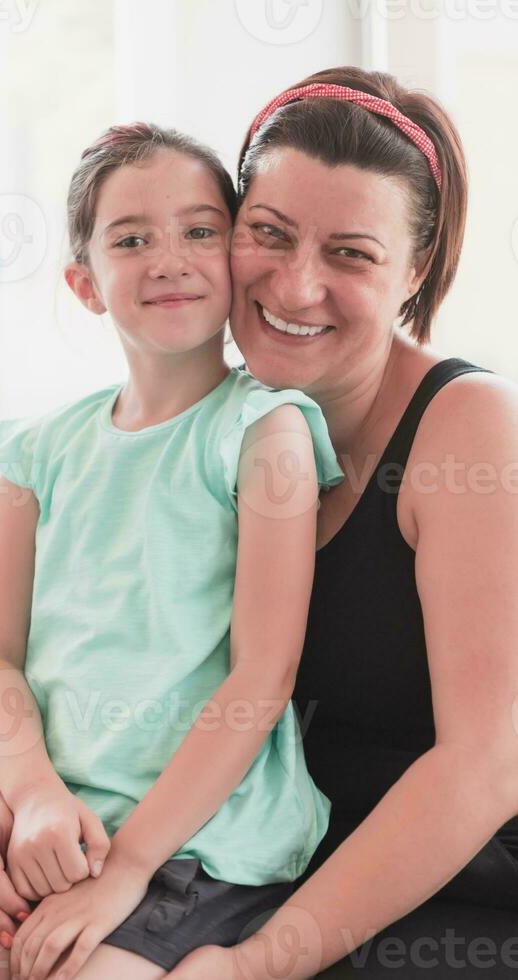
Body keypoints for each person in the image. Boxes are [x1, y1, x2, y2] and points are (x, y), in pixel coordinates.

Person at [0, 123, 344, 980]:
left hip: (199, 846)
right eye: (132, 239)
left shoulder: (264, 433)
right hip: (51, 825)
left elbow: (261, 679)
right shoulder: (38, 453)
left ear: (235, 256)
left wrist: (124, 871)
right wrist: (28, 795)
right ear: (86, 284)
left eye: (200, 230)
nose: (170, 258)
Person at [164, 67, 518, 978]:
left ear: (415, 272)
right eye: (269, 235)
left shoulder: (473, 429)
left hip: (462, 890)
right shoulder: (197, 414)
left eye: (351, 255)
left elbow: (484, 768)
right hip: (261, 866)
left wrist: (256, 965)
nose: (296, 285)